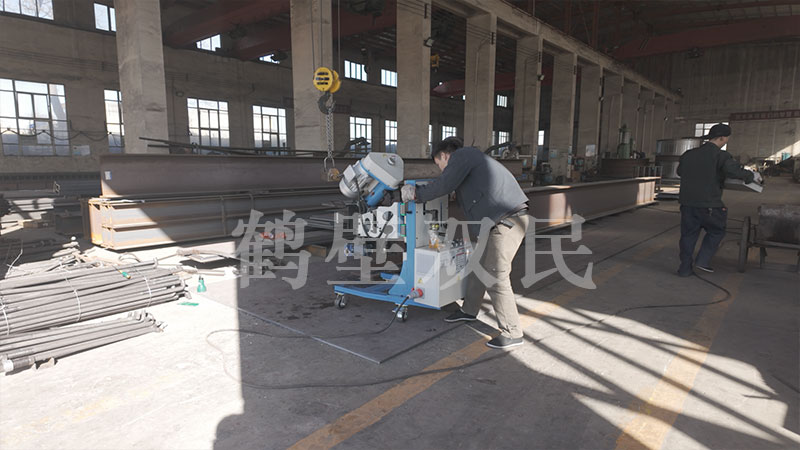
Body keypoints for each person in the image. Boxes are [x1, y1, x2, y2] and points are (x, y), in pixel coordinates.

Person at [400, 137, 530, 349]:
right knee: (478, 267)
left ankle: (512, 333)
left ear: (444, 155)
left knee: (495, 274)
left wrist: (416, 194)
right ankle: (469, 311)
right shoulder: (471, 160)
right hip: (496, 222)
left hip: (507, 221)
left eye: (439, 165)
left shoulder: (462, 156)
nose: (442, 170)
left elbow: (444, 183)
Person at [676, 123, 761, 276]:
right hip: (709, 204)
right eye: (727, 138)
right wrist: (751, 176)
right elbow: (733, 171)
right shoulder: (721, 155)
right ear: (722, 138)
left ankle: (684, 269)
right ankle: (702, 261)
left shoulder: (688, 154)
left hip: (687, 203)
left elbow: (680, 172)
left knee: (688, 235)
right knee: (716, 231)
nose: (727, 140)